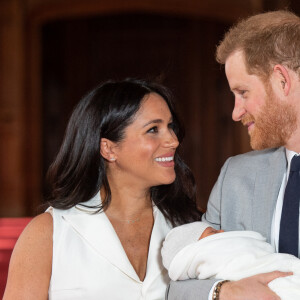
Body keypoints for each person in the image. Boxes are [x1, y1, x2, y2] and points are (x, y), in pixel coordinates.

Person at [3, 78, 202, 299]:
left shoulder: (188, 225)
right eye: (153, 129)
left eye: (170, 126)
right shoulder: (49, 233)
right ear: (108, 149)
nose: (173, 140)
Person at [166, 10, 300, 300]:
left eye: (243, 92)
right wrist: (224, 291)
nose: (236, 111)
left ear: (281, 80)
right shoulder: (235, 176)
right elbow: (177, 287)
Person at [162, 222, 299, 300]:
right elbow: (177, 290)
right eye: (214, 233)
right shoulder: (206, 254)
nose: (222, 230)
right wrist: (224, 292)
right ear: (193, 252)